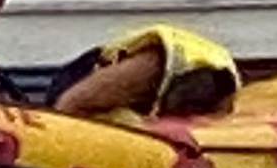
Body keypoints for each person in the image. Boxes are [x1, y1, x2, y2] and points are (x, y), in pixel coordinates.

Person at [52, 22, 244, 122]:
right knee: (129, 123)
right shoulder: (144, 71)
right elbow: (68, 106)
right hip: (81, 80)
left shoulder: (225, 82)